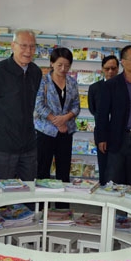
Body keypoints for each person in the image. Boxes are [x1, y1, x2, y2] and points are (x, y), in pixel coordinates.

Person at [0, 29, 42, 181]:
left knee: (29, 190)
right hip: (2, 147)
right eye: (23, 46)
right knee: (2, 192)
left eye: (32, 46)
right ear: (13, 46)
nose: (28, 51)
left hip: (28, 144)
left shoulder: (36, 72)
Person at [95, 45, 131, 189]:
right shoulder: (112, 84)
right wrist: (101, 138)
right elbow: (102, 114)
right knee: (114, 181)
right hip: (118, 138)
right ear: (123, 62)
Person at [34, 47, 80, 183]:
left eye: (67, 65)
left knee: (64, 172)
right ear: (52, 63)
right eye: (59, 65)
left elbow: (76, 106)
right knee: (42, 171)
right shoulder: (43, 81)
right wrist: (57, 121)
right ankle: (42, 198)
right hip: (45, 131)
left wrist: (65, 118)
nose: (63, 69)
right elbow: (39, 105)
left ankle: (62, 198)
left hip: (66, 131)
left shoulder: (72, 82)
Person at [88, 55, 119, 185]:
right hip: (102, 134)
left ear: (118, 69)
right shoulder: (94, 88)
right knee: (104, 169)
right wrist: (102, 136)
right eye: (107, 69)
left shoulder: (123, 87)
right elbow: (93, 109)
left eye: (113, 68)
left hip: (120, 135)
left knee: (118, 170)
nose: (110, 71)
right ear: (102, 69)